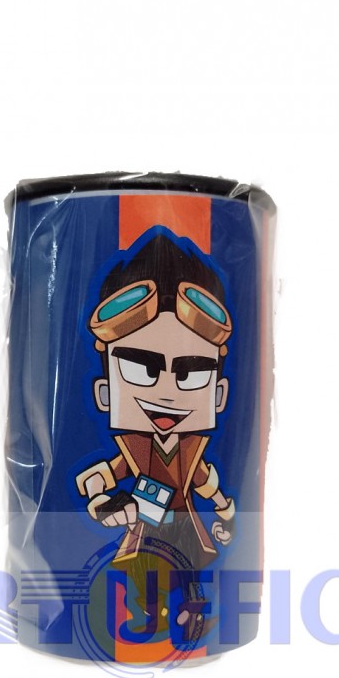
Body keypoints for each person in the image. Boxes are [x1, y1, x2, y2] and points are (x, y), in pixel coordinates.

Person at [75, 229, 236, 641]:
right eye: (139, 369)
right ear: (104, 392)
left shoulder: (191, 448)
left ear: (218, 394)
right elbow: (100, 479)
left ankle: (192, 621)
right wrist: (103, 503)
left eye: (191, 373)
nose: (165, 393)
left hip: (184, 524)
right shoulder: (134, 448)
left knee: (189, 574)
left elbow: (203, 480)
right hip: (146, 525)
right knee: (146, 576)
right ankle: (150, 620)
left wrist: (225, 509)